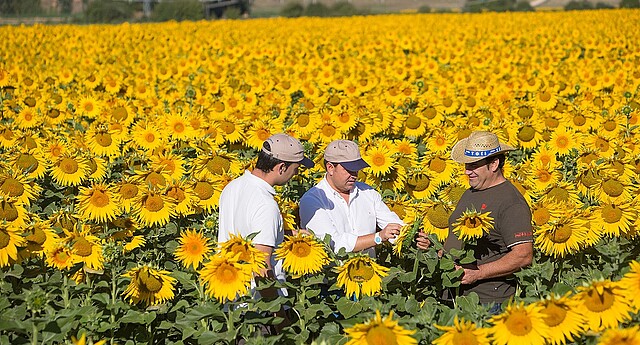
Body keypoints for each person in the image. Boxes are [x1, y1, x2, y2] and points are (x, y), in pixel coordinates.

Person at [416, 131, 533, 309]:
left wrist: (477, 273)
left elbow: (523, 255)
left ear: (494, 164)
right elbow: (458, 241)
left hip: (487, 301)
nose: (467, 171)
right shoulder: (471, 192)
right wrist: (434, 247)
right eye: (466, 165)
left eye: (474, 166)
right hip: (453, 294)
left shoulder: (511, 202)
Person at [218, 133, 314, 295]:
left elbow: (246, 232)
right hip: (257, 301)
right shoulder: (266, 204)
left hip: (230, 288)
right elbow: (262, 267)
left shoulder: (232, 187)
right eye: (295, 169)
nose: (295, 174)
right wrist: (278, 315)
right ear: (282, 167)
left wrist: (287, 234)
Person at [299, 139, 402, 257]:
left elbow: (391, 223)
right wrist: (378, 237)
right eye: (349, 169)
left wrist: (412, 236)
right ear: (330, 168)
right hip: (333, 274)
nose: (354, 175)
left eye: (356, 169)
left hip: (369, 272)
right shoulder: (312, 200)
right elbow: (334, 244)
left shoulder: (368, 193)